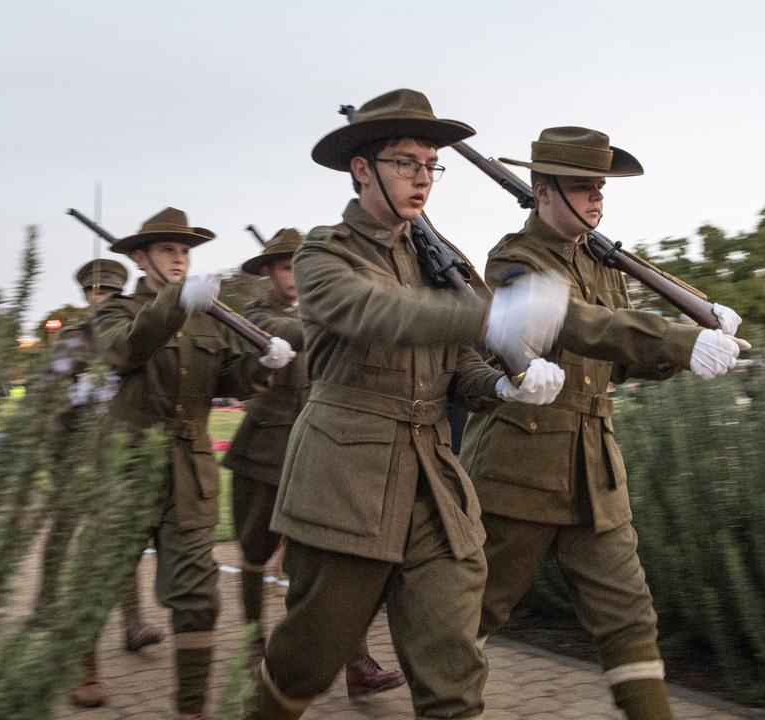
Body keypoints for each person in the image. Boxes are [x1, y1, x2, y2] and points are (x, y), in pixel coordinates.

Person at [244, 88, 569, 720]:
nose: (422, 177)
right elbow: (373, 312)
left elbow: (460, 371)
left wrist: (503, 387)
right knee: (304, 662)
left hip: (432, 482)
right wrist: (488, 314)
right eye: (403, 162)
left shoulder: (437, 264)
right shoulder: (324, 253)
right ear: (361, 169)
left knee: (453, 668)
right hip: (346, 483)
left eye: (429, 164)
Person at [459, 126, 748, 720]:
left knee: (629, 616)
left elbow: (614, 362)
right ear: (541, 192)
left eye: (600, 187)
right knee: (473, 612)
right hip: (520, 470)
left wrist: (681, 352)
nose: (597, 199)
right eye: (583, 187)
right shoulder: (513, 259)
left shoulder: (605, 264)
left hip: (595, 474)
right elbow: (577, 324)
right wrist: (677, 337)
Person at [93, 207, 294, 720]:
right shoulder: (116, 312)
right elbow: (124, 351)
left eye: (184, 251)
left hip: (189, 470)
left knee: (197, 598)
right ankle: (84, 668)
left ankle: (191, 709)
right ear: (140, 258)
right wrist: (173, 304)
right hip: (128, 467)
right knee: (97, 580)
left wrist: (261, 365)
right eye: (167, 250)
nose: (179, 258)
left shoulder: (208, 314)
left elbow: (228, 379)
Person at [220, 228, 406, 697]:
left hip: (318, 454)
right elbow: (280, 334)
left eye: (299, 265)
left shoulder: (320, 311)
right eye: (285, 266)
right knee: (256, 551)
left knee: (327, 560)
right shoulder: (257, 314)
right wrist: (334, 322)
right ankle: (252, 639)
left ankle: (357, 663)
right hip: (264, 452)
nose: (294, 276)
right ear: (268, 272)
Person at [35, 258, 167, 708]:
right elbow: (48, 400)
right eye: (96, 292)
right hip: (76, 457)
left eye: (111, 291)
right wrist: (70, 399)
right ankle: (50, 603)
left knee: (120, 543)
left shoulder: (136, 336)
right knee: (68, 536)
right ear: (86, 295)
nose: (103, 298)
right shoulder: (73, 340)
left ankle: (132, 623)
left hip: (119, 456)